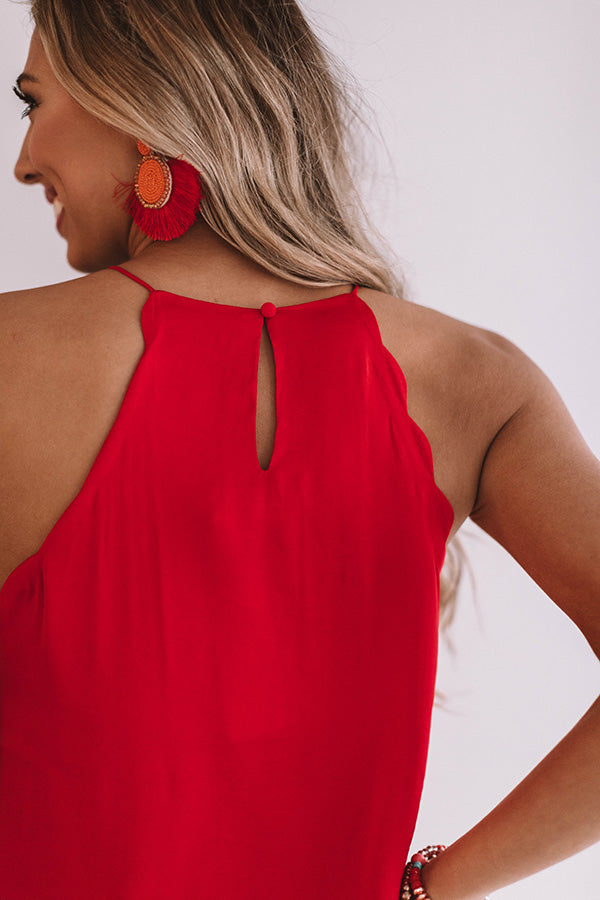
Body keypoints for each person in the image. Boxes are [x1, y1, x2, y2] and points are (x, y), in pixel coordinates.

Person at [1, 2, 598, 898]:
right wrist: (432, 888)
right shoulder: (473, 380)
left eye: (32, 103)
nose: (22, 161)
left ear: (135, 102)